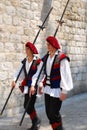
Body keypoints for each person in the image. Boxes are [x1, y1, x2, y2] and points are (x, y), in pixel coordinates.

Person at [30, 36, 73, 130]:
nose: (47, 46)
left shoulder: (61, 58)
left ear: (54, 45)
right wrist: (39, 84)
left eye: (49, 45)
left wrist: (64, 91)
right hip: (48, 89)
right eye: (47, 45)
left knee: (54, 113)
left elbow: (66, 75)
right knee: (49, 113)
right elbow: (40, 72)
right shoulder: (45, 58)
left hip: (57, 89)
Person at [11, 42, 41, 130]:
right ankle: (36, 120)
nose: (26, 51)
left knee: (29, 105)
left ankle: (36, 122)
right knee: (26, 105)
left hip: (34, 86)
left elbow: (40, 74)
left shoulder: (38, 61)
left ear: (32, 50)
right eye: (25, 49)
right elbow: (19, 71)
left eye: (27, 49)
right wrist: (14, 80)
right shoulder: (25, 61)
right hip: (27, 86)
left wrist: (37, 85)